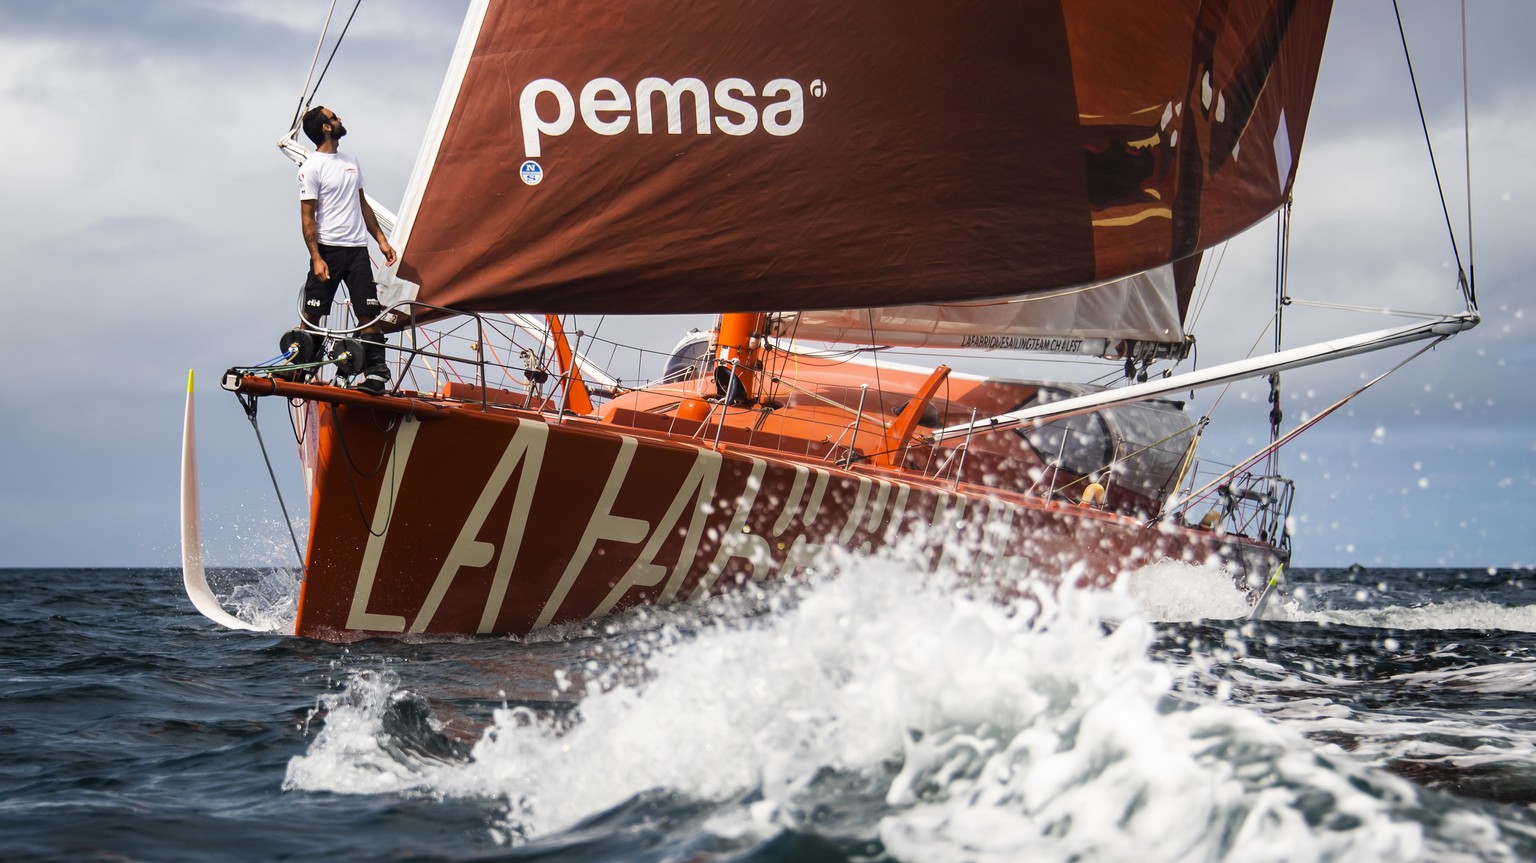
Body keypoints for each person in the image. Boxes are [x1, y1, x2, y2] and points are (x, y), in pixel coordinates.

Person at [295, 105, 397, 394]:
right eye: (334, 117)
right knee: (312, 313)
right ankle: (302, 367)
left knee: (368, 312)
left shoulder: (351, 161)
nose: (340, 119)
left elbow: (362, 204)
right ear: (326, 127)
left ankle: (376, 375)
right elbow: (307, 218)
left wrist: (381, 240)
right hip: (327, 250)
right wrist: (316, 257)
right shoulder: (311, 167)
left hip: (357, 251)